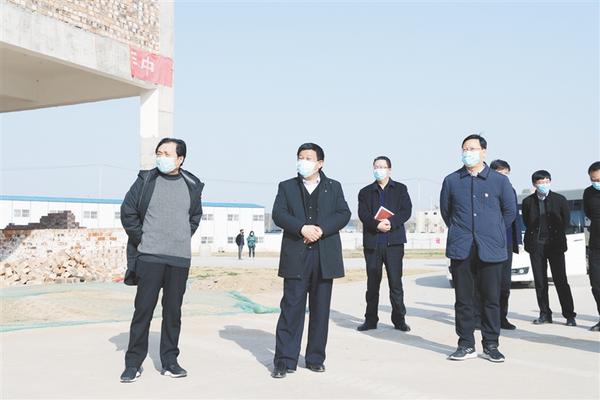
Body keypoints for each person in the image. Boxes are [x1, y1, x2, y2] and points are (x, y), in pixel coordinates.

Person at [119, 137, 204, 383]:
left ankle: (170, 362)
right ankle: (133, 363)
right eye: (159, 153)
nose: (161, 157)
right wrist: (144, 239)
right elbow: (128, 212)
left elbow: (194, 217)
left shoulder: (192, 185)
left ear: (180, 159)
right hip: (150, 257)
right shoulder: (146, 180)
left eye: (167, 154)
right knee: (143, 311)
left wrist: (180, 237)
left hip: (179, 259)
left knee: (173, 313)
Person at [271, 142, 351, 379]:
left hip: (324, 256)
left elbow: (343, 214)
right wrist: (302, 228)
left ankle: (315, 358)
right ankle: (284, 360)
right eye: (300, 157)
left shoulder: (333, 187)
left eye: (308, 158)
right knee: (291, 309)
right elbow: (278, 214)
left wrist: (320, 230)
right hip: (296, 255)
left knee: (320, 310)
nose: (302, 162)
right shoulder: (286, 186)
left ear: (320, 163)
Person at [440, 134, 516, 363]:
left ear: (484, 151)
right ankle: (465, 344)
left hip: (490, 249)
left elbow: (509, 212)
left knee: (491, 299)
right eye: (465, 149)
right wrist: (462, 231)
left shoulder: (499, 181)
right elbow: (446, 212)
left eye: (472, 148)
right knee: (463, 300)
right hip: (462, 248)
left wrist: (492, 230)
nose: (468, 152)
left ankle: (491, 344)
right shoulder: (452, 180)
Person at [356, 156, 412, 332]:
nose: (379, 169)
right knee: (372, 284)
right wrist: (376, 225)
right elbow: (363, 214)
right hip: (373, 243)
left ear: (389, 170)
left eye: (382, 167)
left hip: (394, 243)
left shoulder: (401, 189)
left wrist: (391, 222)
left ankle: (399, 319)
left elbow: (406, 211)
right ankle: (370, 320)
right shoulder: (365, 192)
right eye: (376, 166)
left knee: (396, 283)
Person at [522, 170, 576, 326]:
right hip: (536, 246)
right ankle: (545, 314)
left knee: (561, 280)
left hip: (555, 246)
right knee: (540, 282)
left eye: (546, 181)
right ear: (534, 184)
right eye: (541, 182)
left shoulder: (559, 199)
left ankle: (569, 315)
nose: (544, 184)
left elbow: (566, 221)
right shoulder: (528, 202)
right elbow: (527, 221)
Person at [489, 159, 522, 330]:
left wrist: (517, 241)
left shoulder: (511, 190)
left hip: (506, 242)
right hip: (488, 242)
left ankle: (502, 317)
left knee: (504, 284)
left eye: (506, 173)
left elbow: (514, 216)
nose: (504, 176)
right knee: (487, 284)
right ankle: (483, 318)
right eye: (500, 173)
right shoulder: (485, 189)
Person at [584, 161, 600, 331]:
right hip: (596, 244)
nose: (596, 182)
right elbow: (588, 212)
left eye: (598, 180)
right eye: (593, 180)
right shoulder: (588, 193)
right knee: (596, 284)